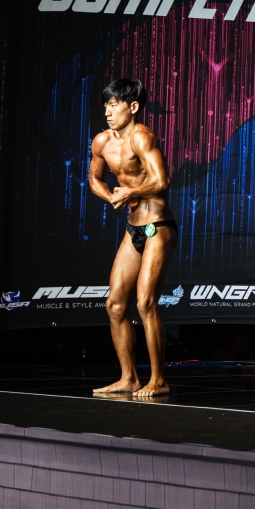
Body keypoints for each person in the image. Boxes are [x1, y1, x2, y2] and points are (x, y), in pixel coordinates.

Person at [88, 78, 175, 398]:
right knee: (114, 304)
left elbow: (162, 180)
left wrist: (132, 192)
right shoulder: (102, 142)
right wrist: (110, 195)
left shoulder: (142, 137)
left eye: (114, 105)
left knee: (145, 302)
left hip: (158, 226)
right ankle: (129, 378)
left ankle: (158, 380)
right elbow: (94, 178)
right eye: (106, 106)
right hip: (133, 228)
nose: (108, 112)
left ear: (133, 107)